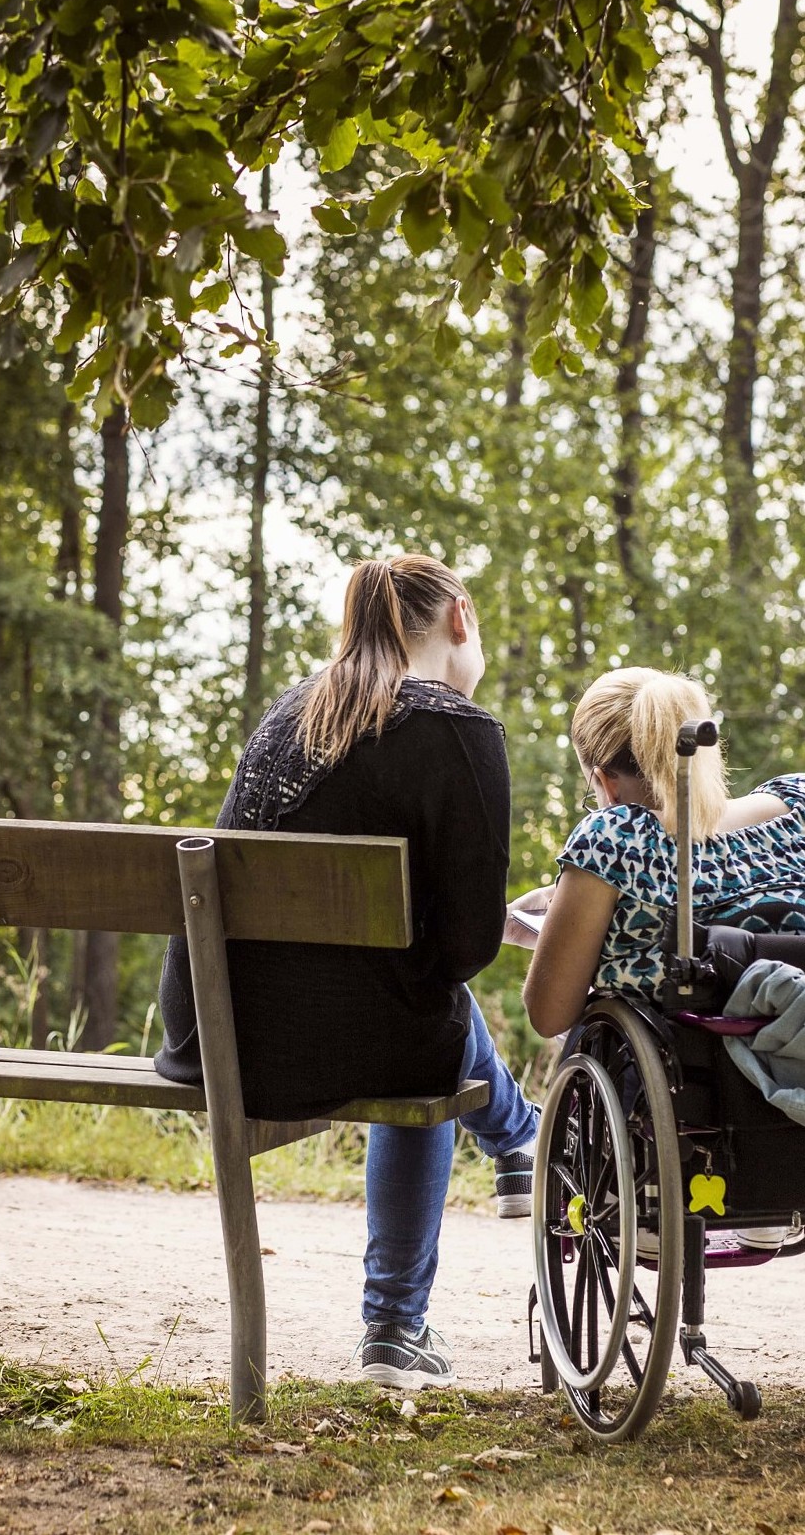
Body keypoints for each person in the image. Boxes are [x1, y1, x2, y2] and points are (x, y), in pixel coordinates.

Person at [154, 554, 539, 1391]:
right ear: (460, 619)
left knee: (420, 1013)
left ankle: (519, 1144)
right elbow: (461, 953)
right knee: (428, 1024)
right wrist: (488, 927)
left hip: (212, 1037)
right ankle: (401, 1321)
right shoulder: (457, 728)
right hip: (342, 1049)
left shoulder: (296, 708)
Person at [509, 667, 805, 1041]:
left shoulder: (614, 838)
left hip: (711, 1090)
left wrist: (556, 934)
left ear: (607, 783)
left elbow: (549, 1015)